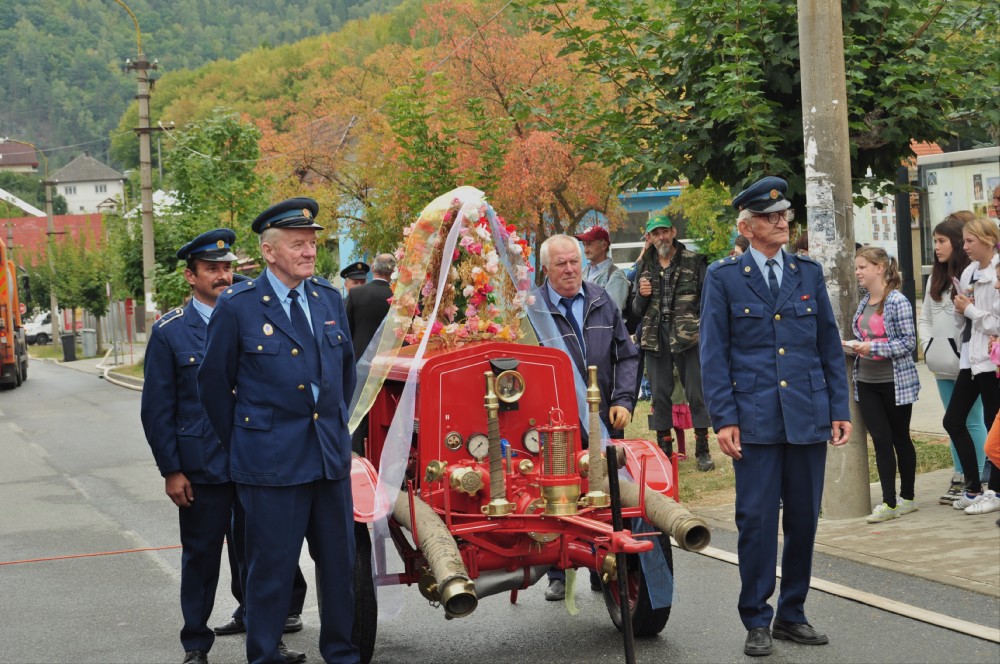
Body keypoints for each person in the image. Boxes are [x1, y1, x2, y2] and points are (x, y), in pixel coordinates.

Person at [198, 198, 359, 664]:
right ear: (269, 252)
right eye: (297, 244)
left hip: (327, 458)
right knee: (270, 570)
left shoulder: (328, 298)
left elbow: (345, 374)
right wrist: (246, 444)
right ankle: (265, 656)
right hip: (269, 463)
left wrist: (334, 428)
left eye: (312, 243)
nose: (309, 252)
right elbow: (213, 383)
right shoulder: (238, 306)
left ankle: (342, 654)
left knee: (339, 567)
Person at [700, 176, 851, 657]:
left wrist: (839, 407)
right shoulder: (724, 277)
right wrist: (724, 418)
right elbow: (713, 354)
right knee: (758, 521)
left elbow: (828, 343)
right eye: (769, 217)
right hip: (754, 417)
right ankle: (757, 618)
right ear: (746, 227)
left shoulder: (807, 273)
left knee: (804, 520)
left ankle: (792, 613)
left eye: (783, 214)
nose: (781, 221)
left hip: (806, 413)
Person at [140, 229, 239, 664]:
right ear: (191, 276)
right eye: (212, 268)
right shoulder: (170, 332)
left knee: (257, 555)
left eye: (227, 267)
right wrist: (171, 470)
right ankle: (196, 643)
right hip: (200, 468)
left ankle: (266, 632)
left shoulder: (250, 318)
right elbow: (157, 408)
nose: (223, 276)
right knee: (201, 558)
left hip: (253, 462)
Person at [530, 233, 638, 600]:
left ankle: (602, 565)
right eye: (560, 263)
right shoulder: (531, 310)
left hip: (604, 418)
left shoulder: (601, 299)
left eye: (574, 261)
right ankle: (557, 571)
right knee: (557, 496)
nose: (569, 269)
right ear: (545, 269)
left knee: (606, 493)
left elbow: (626, 354)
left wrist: (624, 399)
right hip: (553, 424)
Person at [631, 215, 715, 471]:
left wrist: (703, 329)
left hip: (689, 335)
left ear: (673, 232)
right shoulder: (644, 266)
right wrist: (642, 296)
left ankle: (702, 448)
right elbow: (636, 310)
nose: (661, 237)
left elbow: (709, 300)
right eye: (655, 234)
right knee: (659, 394)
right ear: (649, 238)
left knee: (696, 392)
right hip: (655, 336)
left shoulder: (694, 261)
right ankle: (665, 450)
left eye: (664, 232)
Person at [917, 212, 988, 504]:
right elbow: (925, 318)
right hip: (940, 361)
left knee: (972, 421)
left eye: (942, 241)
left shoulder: (973, 276)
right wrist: (928, 345)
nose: (936, 246)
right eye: (935, 241)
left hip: (969, 362)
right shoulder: (935, 278)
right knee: (952, 420)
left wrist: (962, 350)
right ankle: (961, 475)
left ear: (957, 243)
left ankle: (980, 476)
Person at [846, 247, 920, 523]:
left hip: (895, 382)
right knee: (880, 439)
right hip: (866, 381)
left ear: (879, 268)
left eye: (862, 267)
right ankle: (888, 502)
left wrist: (872, 347)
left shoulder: (897, 301)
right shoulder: (864, 300)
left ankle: (908, 498)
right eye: (856, 267)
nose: (857, 272)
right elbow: (863, 336)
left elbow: (908, 343)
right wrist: (853, 346)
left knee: (900, 437)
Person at [945, 216, 1000, 515]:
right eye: (963, 241)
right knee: (953, 420)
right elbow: (963, 320)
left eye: (970, 241)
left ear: (988, 240)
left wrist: (970, 310)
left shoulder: (996, 272)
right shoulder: (969, 271)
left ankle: (996, 492)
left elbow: (996, 324)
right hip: (970, 357)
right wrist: (960, 309)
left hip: (992, 361)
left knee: (994, 427)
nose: (964, 247)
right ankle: (974, 487)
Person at [345, 252, 396, 454]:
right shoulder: (400, 296)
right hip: (393, 366)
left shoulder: (356, 294)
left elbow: (347, 331)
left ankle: (358, 455)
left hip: (362, 364)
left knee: (359, 414)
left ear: (373, 269)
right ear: (393, 272)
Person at [574, 225, 630, 311]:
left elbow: (610, 313)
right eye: (584, 245)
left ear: (604, 245)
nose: (585, 250)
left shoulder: (616, 276)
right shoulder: (584, 271)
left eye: (589, 244)